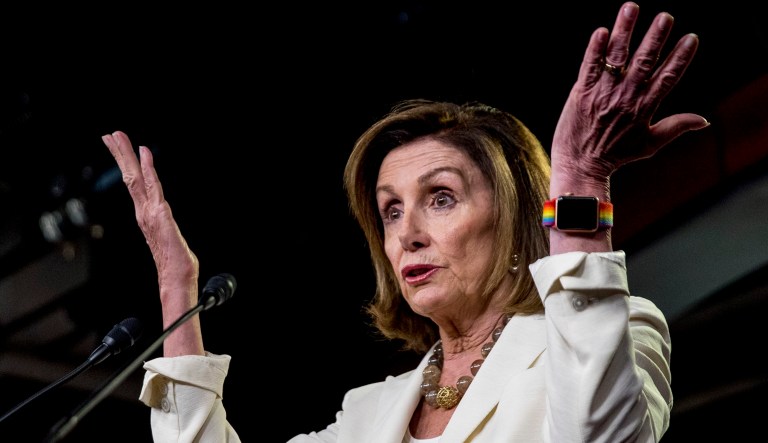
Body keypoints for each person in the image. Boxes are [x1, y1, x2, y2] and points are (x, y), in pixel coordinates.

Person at [101, 2, 709, 441]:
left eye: (440, 198)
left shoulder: (613, 333)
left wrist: (577, 181)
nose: (407, 233)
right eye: (391, 210)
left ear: (516, 217)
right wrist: (175, 291)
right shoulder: (368, 415)